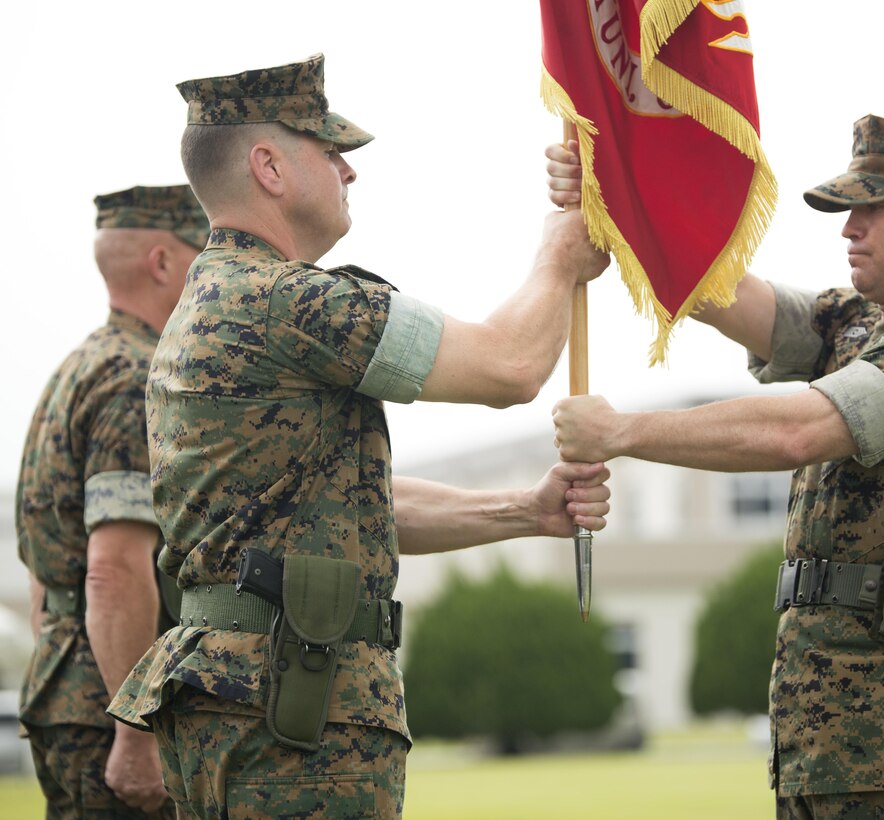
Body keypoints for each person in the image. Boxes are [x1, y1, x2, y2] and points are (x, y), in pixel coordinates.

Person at [106, 54, 610, 819]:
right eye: (329, 150)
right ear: (269, 167)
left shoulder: (208, 301)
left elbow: (342, 513)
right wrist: (560, 254)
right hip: (294, 714)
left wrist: (524, 512)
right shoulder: (287, 301)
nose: (349, 170)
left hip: (236, 701)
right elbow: (510, 367)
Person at [548, 114, 884, 818]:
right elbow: (715, 290)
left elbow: (797, 433)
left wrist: (620, 432)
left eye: (873, 207)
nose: (848, 227)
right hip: (830, 733)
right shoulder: (861, 324)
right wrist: (613, 204)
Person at [16, 185, 209, 818]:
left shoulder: (79, 368)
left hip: (68, 688)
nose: (215, 274)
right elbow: (112, 568)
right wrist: (135, 732)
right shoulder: (134, 378)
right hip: (109, 711)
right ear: (161, 264)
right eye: (201, 254)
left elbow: (50, 572)